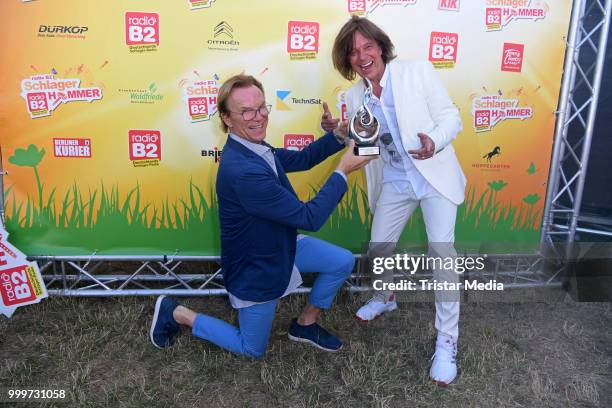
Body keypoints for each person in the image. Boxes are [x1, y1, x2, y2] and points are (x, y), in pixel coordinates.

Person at [150, 74, 373, 358]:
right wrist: (342, 171)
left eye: (262, 107)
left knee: (341, 261)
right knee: (251, 349)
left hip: (281, 245)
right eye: (247, 111)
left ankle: (305, 323)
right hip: (257, 268)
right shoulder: (243, 170)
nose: (259, 117)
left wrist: (340, 134)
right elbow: (309, 218)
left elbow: (302, 159)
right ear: (227, 118)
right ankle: (178, 312)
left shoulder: (253, 147)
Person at [322, 16, 466, 386]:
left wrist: (433, 139)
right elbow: (363, 141)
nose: (362, 56)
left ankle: (447, 340)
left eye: (367, 47)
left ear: (381, 47)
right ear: (347, 60)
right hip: (397, 180)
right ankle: (386, 296)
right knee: (378, 246)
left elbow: (451, 117)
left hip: (434, 175)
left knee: (441, 253)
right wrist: (336, 131)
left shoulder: (417, 71)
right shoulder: (355, 97)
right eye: (353, 52)